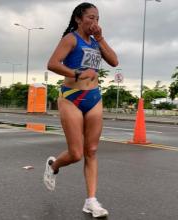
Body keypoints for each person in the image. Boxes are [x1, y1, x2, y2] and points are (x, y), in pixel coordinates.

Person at [44, 2, 118, 218]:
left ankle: (91, 201)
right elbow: (52, 63)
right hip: (71, 97)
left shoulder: (96, 43)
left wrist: (101, 38)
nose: (94, 22)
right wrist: (76, 73)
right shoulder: (70, 39)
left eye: (97, 18)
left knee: (92, 151)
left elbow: (114, 61)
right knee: (76, 154)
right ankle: (53, 165)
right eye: (90, 18)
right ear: (78, 19)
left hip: (94, 98)